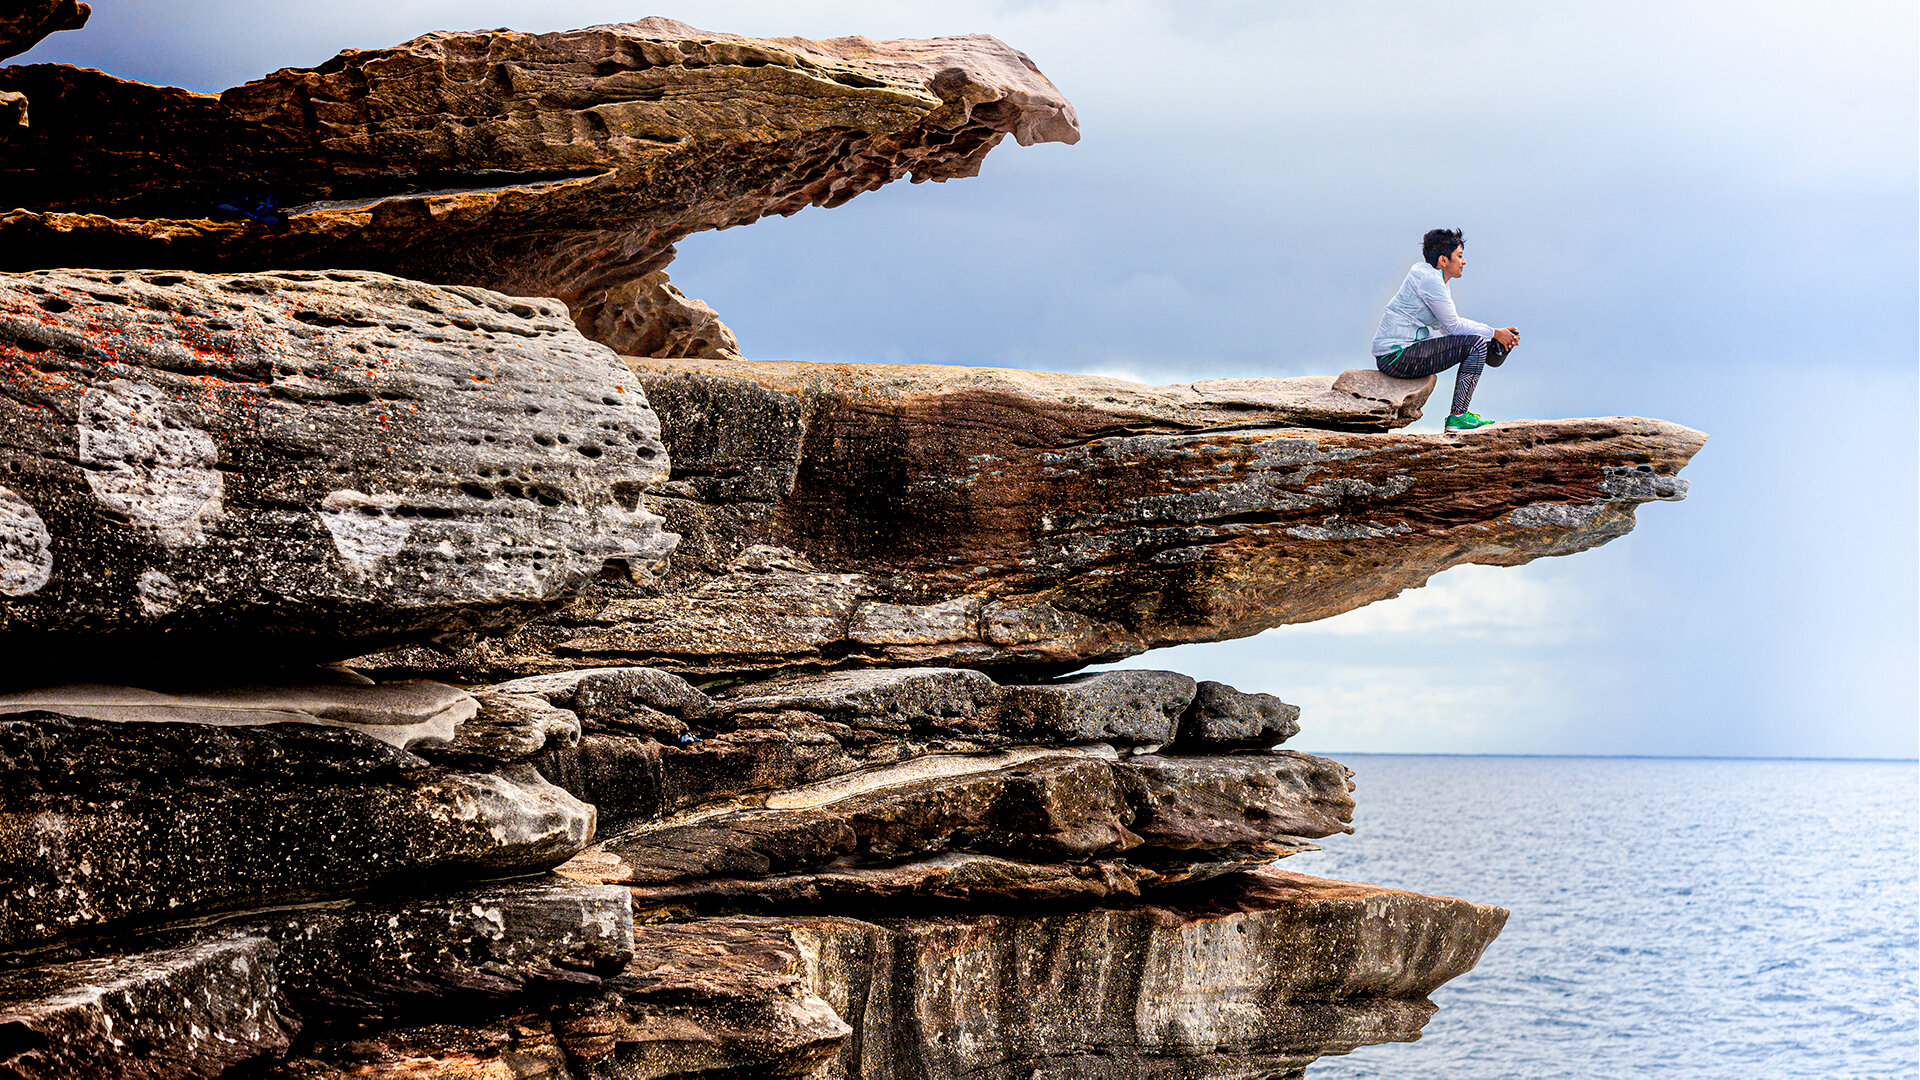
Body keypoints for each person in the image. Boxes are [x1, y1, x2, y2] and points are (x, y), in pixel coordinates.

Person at [1371, 228, 1519, 432]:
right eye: (1459, 256)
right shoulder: (1430, 280)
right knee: (1475, 344)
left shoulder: (1429, 276)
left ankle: (1460, 415)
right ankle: (1458, 417)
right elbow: (1453, 326)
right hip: (1397, 356)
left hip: (1398, 354)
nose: (1464, 262)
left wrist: (1493, 341)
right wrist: (1494, 333)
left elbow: (1449, 330)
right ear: (1443, 260)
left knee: (1476, 343)